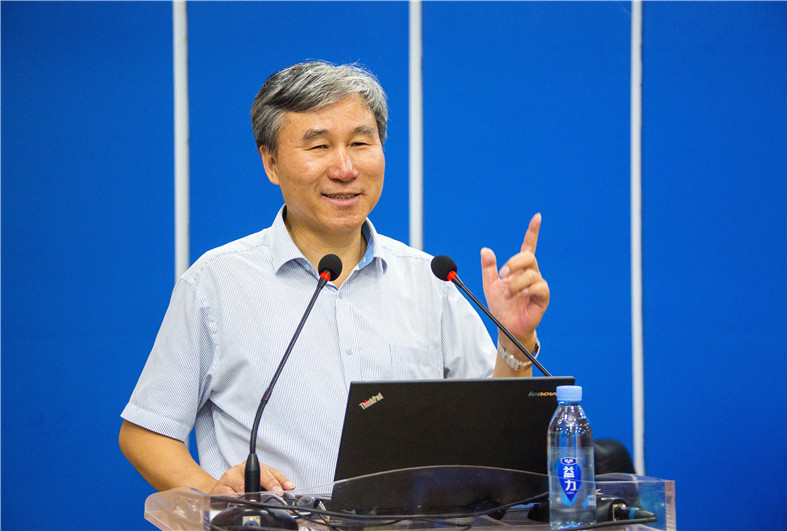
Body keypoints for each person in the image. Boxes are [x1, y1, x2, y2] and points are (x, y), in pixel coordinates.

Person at [119, 61, 549, 495]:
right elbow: (146, 433)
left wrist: (514, 341)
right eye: (319, 146)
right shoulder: (215, 284)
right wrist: (214, 495)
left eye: (360, 143)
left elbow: (491, 434)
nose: (345, 168)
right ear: (271, 163)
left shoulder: (432, 281)